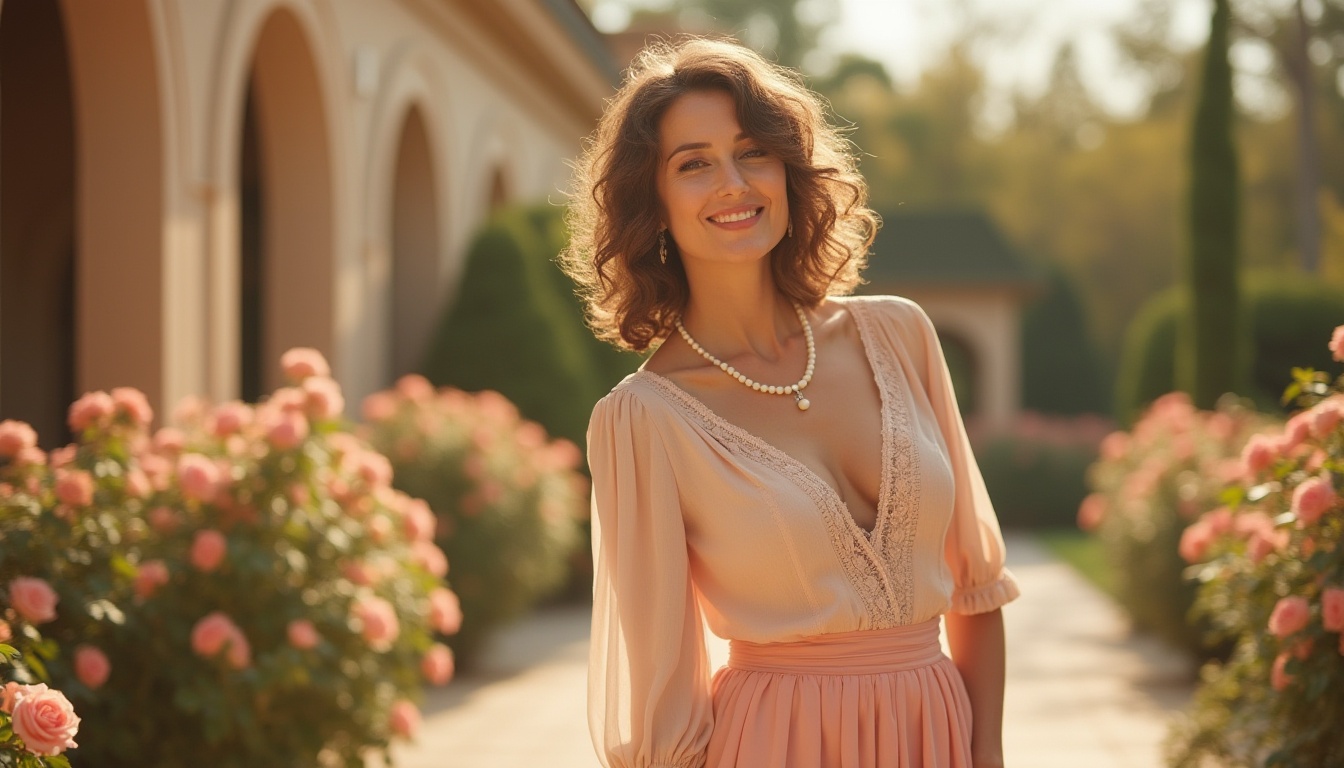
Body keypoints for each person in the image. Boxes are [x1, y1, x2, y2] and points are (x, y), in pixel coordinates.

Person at [562, 37, 1019, 768]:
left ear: (789, 169)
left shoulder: (899, 335)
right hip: (774, 746)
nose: (733, 183)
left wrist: (985, 753)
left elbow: (975, 586)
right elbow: (657, 683)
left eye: (753, 152)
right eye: (693, 164)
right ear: (653, 205)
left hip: (937, 738)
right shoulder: (644, 419)